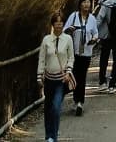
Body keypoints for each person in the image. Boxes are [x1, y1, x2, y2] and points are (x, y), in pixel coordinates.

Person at [37, 11, 75, 142]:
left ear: (63, 24)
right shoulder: (46, 40)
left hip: (61, 79)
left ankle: (54, 136)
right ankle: (48, 135)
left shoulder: (68, 39)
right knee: (48, 108)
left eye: (61, 22)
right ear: (52, 24)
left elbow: (71, 57)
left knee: (56, 107)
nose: (59, 25)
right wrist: (39, 75)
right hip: (48, 79)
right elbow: (42, 59)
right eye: (56, 22)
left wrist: (68, 72)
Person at [62, 0, 99, 116]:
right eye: (84, 2)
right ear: (80, 4)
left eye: (88, 2)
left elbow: (96, 33)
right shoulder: (73, 16)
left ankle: (79, 103)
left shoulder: (92, 19)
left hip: (86, 52)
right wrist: (70, 30)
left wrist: (94, 39)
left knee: (82, 77)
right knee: (74, 76)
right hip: (73, 53)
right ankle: (74, 98)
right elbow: (64, 31)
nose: (86, 4)